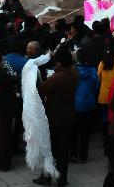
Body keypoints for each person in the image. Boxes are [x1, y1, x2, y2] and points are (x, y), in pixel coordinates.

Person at [33, 45, 78, 187]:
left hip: (53, 116)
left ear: (59, 62)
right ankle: (61, 178)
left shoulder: (56, 78)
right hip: (68, 115)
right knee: (63, 151)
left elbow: (41, 89)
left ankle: (46, 178)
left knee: (49, 149)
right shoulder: (74, 74)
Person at [72, 49, 99, 163]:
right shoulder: (93, 71)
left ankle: (73, 154)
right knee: (85, 131)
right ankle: (83, 156)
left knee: (74, 130)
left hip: (75, 104)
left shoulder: (73, 71)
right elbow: (96, 86)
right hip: (88, 103)